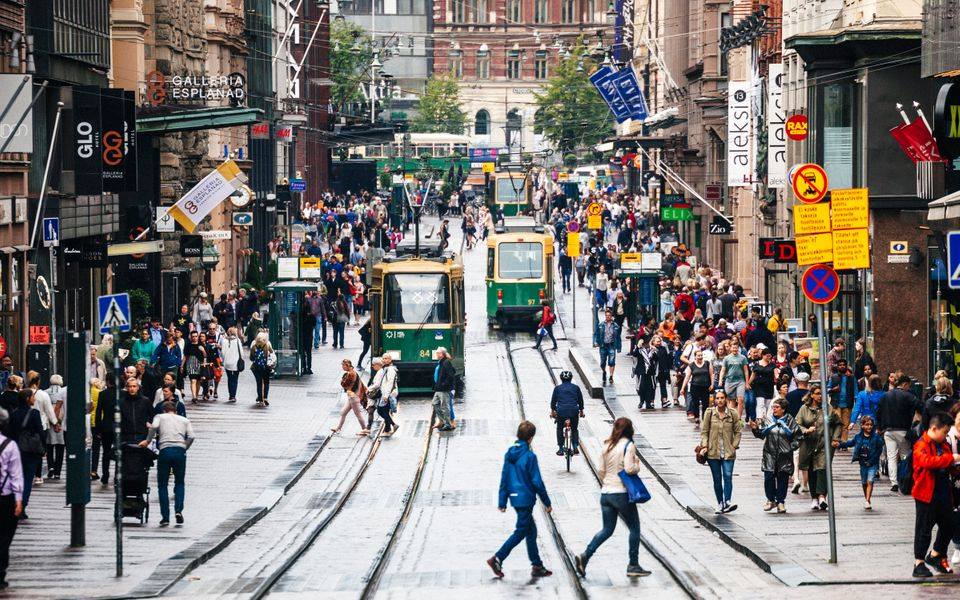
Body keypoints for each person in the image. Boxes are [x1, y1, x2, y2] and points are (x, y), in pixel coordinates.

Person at [574, 417, 651, 577]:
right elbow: (629, 469)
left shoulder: (607, 445)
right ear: (629, 430)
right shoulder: (629, 446)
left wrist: (606, 483)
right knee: (634, 528)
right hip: (621, 493)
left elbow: (601, 470)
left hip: (606, 493)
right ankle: (633, 565)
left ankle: (585, 556)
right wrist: (637, 465)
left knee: (607, 529)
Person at [487, 420, 553, 579]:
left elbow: (504, 478)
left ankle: (537, 565)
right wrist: (547, 502)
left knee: (531, 530)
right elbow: (537, 481)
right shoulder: (530, 456)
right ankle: (497, 558)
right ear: (530, 438)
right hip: (526, 499)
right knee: (520, 531)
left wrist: (502, 501)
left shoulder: (509, 453)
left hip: (515, 499)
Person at [910, 412, 959, 578]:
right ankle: (919, 563)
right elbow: (927, 462)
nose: (946, 435)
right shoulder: (921, 444)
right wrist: (951, 459)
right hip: (926, 494)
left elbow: (948, 464)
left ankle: (936, 554)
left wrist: (954, 466)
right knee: (924, 529)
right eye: (944, 432)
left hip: (943, 494)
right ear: (934, 428)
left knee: (950, 524)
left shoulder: (942, 444)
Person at [140, 400, 196, 526]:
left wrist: (148, 441)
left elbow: (153, 427)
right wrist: (184, 447)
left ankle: (165, 516)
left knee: (162, 484)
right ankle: (178, 510)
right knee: (180, 482)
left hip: (165, 450)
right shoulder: (184, 420)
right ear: (175, 411)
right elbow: (191, 436)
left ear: (164, 410)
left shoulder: (160, 417)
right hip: (180, 451)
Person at [796, 386, 842, 510]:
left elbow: (838, 423)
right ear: (811, 395)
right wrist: (806, 430)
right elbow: (797, 424)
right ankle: (814, 498)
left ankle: (822, 496)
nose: (820, 396)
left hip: (824, 444)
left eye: (822, 394)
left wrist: (835, 438)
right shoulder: (804, 409)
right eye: (817, 394)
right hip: (809, 444)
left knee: (822, 468)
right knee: (811, 471)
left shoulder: (828, 409)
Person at [750, 398, 798, 513]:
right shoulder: (768, 420)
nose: (774, 409)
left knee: (783, 478)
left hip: (784, 455)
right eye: (773, 407)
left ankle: (781, 501)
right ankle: (770, 499)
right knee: (768, 477)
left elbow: (797, 435)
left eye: (776, 407)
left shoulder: (790, 420)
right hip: (770, 453)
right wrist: (755, 429)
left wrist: (792, 446)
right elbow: (761, 435)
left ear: (783, 409)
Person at [877, 374, 922, 492]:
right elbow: (920, 406)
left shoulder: (885, 396)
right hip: (903, 430)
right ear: (905, 384)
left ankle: (894, 483)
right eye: (908, 386)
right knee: (905, 456)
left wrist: (879, 427)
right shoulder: (908, 396)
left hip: (888, 430)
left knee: (891, 456)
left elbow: (879, 411)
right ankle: (905, 480)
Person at [699, 390, 742, 513]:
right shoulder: (709, 413)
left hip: (728, 451)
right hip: (713, 452)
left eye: (722, 398)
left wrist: (734, 446)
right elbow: (704, 431)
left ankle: (727, 501)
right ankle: (720, 503)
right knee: (717, 479)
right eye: (717, 398)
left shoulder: (733, 413)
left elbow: (738, 431)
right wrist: (705, 446)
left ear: (726, 399)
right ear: (715, 400)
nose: (720, 400)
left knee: (728, 476)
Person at [835, 415, 885, 510]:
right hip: (862, 463)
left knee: (870, 481)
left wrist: (874, 459)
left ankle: (867, 500)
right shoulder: (858, 437)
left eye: (871, 425)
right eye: (867, 425)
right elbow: (850, 443)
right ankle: (866, 497)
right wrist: (840, 444)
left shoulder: (876, 437)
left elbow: (879, 449)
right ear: (862, 426)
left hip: (873, 463)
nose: (869, 427)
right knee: (864, 482)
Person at [7, 390, 41, 519]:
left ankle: (14, 504)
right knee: (27, 480)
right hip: (30, 451)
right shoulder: (34, 414)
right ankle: (22, 507)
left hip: (15, 450)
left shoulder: (14, 414)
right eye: (33, 396)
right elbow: (40, 432)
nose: (34, 398)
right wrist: (42, 448)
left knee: (15, 478)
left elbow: (8, 432)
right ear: (28, 398)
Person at [0, 408, 23, 590]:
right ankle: (0, 573)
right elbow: (16, 476)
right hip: (5, 497)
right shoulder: (10, 446)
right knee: (5, 537)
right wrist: (18, 500)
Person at [550, 371, 584, 455]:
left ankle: (561, 448)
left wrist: (553, 411)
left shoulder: (557, 388)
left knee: (559, 428)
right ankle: (575, 446)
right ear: (571, 378)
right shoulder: (576, 388)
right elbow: (580, 400)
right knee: (574, 428)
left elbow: (553, 401)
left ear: (561, 379)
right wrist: (581, 411)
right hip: (574, 411)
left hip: (561, 411)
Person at [333, 360, 369, 435]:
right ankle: (338, 428)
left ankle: (365, 429)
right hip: (351, 397)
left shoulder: (351, 374)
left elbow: (344, 384)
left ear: (347, 366)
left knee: (358, 414)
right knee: (343, 412)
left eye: (343, 365)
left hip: (353, 397)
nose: (342, 367)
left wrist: (342, 381)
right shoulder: (351, 372)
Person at [680, 348, 714, 424]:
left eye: (701, 355)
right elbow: (687, 377)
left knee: (705, 403)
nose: (700, 357)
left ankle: (704, 417)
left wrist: (712, 384)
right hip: (695, 386)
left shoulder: (707, 363)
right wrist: (682, 388)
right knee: (695, 403)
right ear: (695, 356)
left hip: (706, 386)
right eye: (698, 355)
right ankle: (697, 417)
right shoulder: (691, 365)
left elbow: (711, 374)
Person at [368, 356, 399, 435]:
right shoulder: (386, 369)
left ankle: (392, 425)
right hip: (385, 393)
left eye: (386, 358)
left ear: (390, 360)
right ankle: (389, 427)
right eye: (384, 358)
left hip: (388, 394)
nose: (384, 360)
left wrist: (386, 395)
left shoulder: (390, 370)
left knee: (381, 410)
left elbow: (389, 383)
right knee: (384, 410)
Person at [719, 337, 749, 418]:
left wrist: (747, 382)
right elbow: (723, 370)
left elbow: (746, 371)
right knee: (731, 400)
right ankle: (732, 417)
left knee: (740, 400)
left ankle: (738, 417)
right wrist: (720, 380)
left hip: (740, 381)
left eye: (736, 348)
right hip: (730, 381)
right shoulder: (727, 358)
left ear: (738, 348)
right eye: (733, 348)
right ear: (730, 348)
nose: (734, 349)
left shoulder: (743, 358)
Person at [828, 358, 857, 442]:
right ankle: (836, 440)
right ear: (837, 366)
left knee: (845, 424)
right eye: (840, 365)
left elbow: (855, 391)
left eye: (844, 365)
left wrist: (856, 401)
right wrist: (833, 389)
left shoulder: (851, 378)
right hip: (836, 404)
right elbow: (827, 389)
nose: (842, 366)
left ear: (846, 366)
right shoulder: (833, 377)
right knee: (837, 423)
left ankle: (844, 442)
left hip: (848, 404)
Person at [119, 378, 153, 444]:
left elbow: (152, 415)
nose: (132, 388)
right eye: (130, 386)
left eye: (134, 386)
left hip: (142, 435)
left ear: (138, 387)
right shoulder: (121, 402)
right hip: (126, 436)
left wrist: (148, 422)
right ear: (127, 388)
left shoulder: (145, 401)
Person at [748, 347, 777, 423]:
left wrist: (780, 377)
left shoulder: (773, 365)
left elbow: (776, 374)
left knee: (768, 405)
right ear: (763, 356)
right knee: (760, 403)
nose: (768, 357)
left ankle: (767, 420)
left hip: (769, 387)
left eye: (769, 356)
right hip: (759, 387)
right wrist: (748, 384)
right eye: (767, 356)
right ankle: (760, 420)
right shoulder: (757, 364)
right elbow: (753, 375)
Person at [432, 347, 457, 431]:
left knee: (445, 406)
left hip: (443, 389)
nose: (436, 354)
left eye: (438, 353)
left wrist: (443, 385)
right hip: (438, 389)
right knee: (435, 403)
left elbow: (451, 376)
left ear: (442, 354)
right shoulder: (441, 362)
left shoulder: (446, 363)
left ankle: (448, 423)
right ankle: (443, 421)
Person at [594, 310, 621, 385]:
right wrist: (596, 342)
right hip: (603, 345)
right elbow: (596, 334)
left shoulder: (615, 326)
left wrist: (619, 347)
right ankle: (604, 372)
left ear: (611, 316)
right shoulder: (601, 325)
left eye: (609, 315)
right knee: (602, 362)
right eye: (606, 315)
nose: (607, 317)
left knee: (612, 361)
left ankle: (611, 376)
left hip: (611, 345)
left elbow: (618, 337)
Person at [249, 332, 275, 406]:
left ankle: (260, 398)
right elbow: (272, 354)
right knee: (266, 382)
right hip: (266, 367)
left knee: (259, 383)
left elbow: (251, 358)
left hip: (256, 368)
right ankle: (265, 397)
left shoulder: (254, 347)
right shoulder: (267, 345)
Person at [221, 326, 243, 403]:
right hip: (236, 363)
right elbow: (241, 353)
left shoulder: (224, 341)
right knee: (235, 379)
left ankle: (230, 394)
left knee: (230, 379)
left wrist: (225, 359)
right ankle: (233, 395)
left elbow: (223, 353)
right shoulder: (237, 341)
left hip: (227, 363)